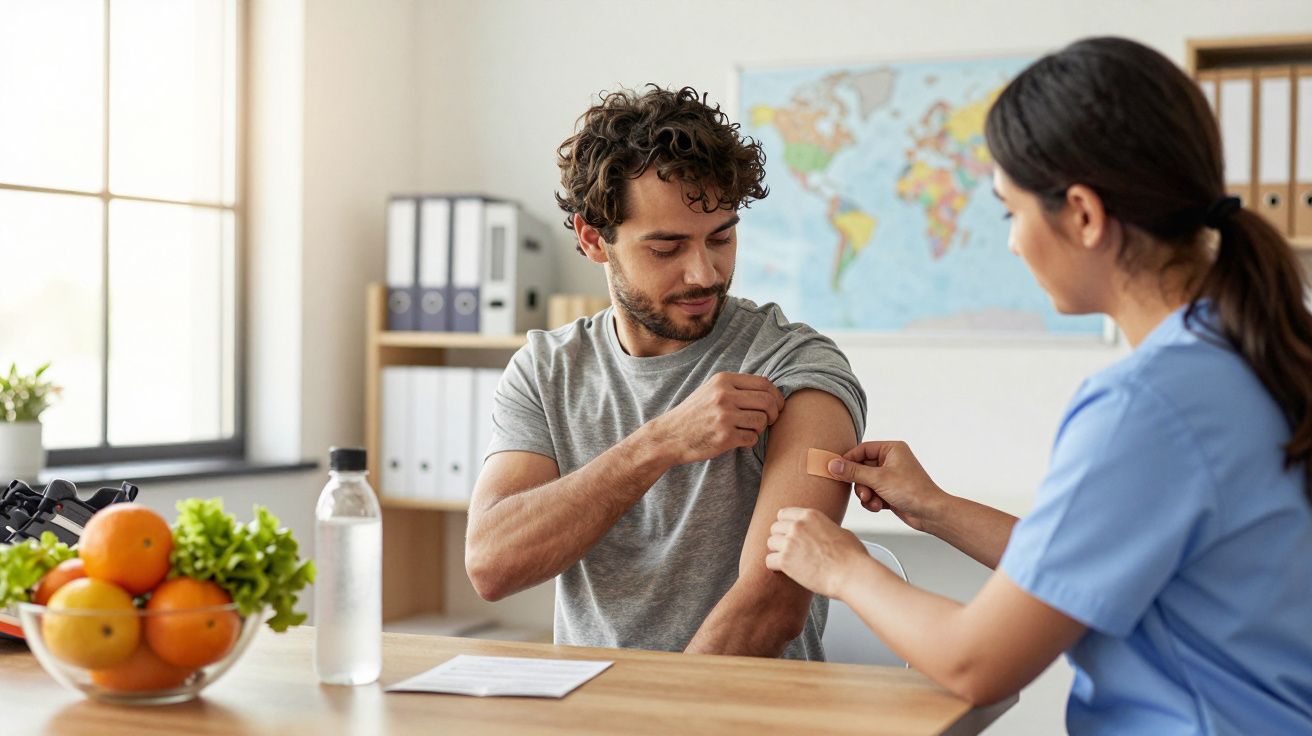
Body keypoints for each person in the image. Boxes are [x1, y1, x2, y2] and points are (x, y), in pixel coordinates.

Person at [766, 37, 1312, 734]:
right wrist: (934, 508)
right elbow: (1090, 558)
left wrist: (842, 568)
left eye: (1010, 212)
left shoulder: (1147, 406)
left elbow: (975, 662)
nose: (1013, 242)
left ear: (1082, 214)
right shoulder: (1253, 351)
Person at [465, 85, 867, 660]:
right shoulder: (547, 369)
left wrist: (654, 706)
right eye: (666, 248)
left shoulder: (796, 366)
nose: (704, 273)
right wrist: (659, 444)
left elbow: (769, 607)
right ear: (592, 239)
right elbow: (491, 565)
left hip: (735, 704)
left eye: (721, 237)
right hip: (590, 701)